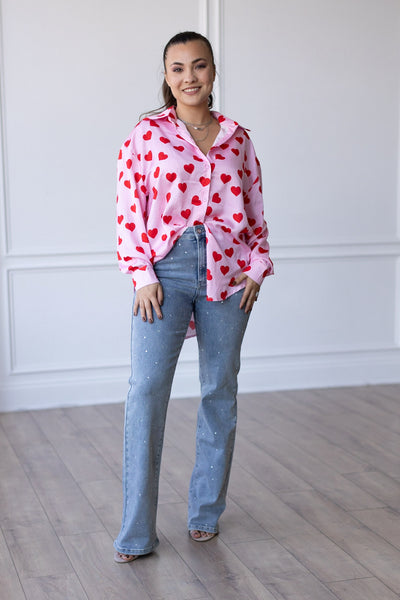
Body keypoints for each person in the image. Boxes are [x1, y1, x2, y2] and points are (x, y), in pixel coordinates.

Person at [114, 31, 273, 563]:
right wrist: (142, 276)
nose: (189, 77)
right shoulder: (146, 135)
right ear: (166, 76)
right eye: (178, 68)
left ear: (213, 71)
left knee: (219, 390)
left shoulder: (237, 138)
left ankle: (205, 512)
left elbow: (255, 208)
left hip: (228, 275)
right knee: (146, 392)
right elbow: (128, 210)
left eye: (199, 66)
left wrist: (257, 267)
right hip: (165, 272)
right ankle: (136, 532)